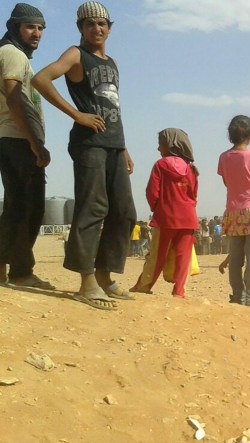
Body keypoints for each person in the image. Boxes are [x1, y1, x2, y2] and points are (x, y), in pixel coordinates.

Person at [33, 2, 136, 310]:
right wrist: (77, 114)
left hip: (114, 143)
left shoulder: (112, 62)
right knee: (93, 208)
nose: (97, 28)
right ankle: (87, 282)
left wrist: (124, 146)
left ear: (110, 27)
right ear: (80, 28)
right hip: (88, 143)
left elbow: (113, 107)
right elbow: (41, 79)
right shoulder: (76, 55)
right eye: (89, 24)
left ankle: (105, 276)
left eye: (102, 23)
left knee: (124, 211)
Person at [0, 3, 53, 289]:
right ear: (15, 27)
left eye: (41, 28)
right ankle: (21, 271)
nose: (37, 33)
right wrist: (35, 143)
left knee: (17, 206)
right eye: (30, 27)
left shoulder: (14, 54)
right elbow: (14, 98)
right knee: (29, 207)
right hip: (18, 139)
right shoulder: (11, 53)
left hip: (12, 137)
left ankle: (5, 270)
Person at [130, 128, 198, 298]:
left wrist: (157, 209)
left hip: (165, 217)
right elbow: (193, 195)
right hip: (188, 218)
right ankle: (179, 291)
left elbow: (152, 192)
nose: (158, 149)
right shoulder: (191, 169)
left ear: (170, 145)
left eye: (160, 144)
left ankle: (144, 285)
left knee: (157, 255)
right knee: (183, 257)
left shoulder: (160, 165)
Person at [218, 115, 250, 307]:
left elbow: (226, 182)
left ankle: (237, 296)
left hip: (233, 210)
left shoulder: (223, 157)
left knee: (236, 257)